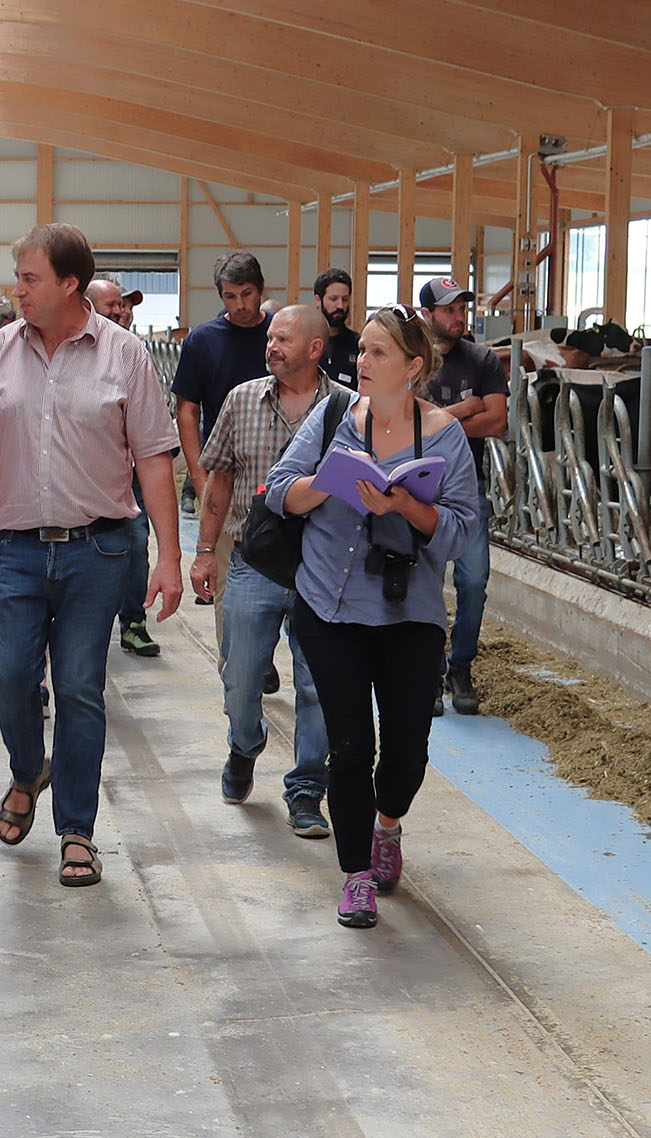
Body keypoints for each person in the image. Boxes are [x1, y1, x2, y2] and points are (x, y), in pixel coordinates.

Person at [0, 224, 183, 890]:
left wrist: (170, 557)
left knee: (78, 689)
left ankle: (77, 830)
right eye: (19, 278)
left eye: (30, 278)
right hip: (11, 547)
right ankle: (25, 770)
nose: (18, 291)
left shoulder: (125, 355)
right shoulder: (0, 353)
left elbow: (154, 458)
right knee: (9, 676)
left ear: (70, 284)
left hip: (98, 549)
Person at [262, 305, 481, 929]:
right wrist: (327, 483)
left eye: (379, 353)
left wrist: (406, 505)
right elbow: (280, 489)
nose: (362, 362)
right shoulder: (334, 418)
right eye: (362, 352)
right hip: (328, 604)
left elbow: (461, 532)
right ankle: (356, 873)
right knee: (350, 745)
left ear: (413, 367)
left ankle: (390, 823)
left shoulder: (444, 436)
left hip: (408, 610)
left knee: (407, 748)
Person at [191, 306, 341, 839]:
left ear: (315, 349)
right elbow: (220, 481)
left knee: (318, 686)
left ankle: (306, 791)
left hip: (321, 569)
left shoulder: (346, 409)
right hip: (253, 561)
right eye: (270, 339)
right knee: (240, 674)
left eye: (282, 339)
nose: (270, 346)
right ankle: (244, 744)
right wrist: (206, 550)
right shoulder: (241, 400)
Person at [420, 278, 509, 716]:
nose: (459, 317)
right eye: (449, 310)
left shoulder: (483, 359)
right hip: (419, 486)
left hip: (467, 486)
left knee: (473, 581)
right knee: (428, 581)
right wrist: (461, 410)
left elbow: (497, 422)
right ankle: (431, 671)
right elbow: (403, 422)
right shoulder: (414, 361)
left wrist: (436, 425)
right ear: (428, 315)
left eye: (462, 309)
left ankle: (462, 666)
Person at [86, 276, 160, 659]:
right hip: (88, 477)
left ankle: (133, 622)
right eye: (112, 306)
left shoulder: (137, 354)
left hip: (131, 474)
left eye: (125, 305)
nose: (121, 312)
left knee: (135, 544)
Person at [173, 252, 272, 512]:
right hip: (223, 472)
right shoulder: (202, 341)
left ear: (261, 288)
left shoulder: (279, 336)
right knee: (217, 551)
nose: (240, 304)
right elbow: (187, 410)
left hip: (276, 469)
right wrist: (197, 476)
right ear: (221, 296)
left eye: (247, 294)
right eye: (230, 296)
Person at [314, 268, 359, 390]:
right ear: (318, 300)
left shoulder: (358, 344)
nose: (340, 306)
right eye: (333, 299)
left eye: (344, 299)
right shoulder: (304, 342)